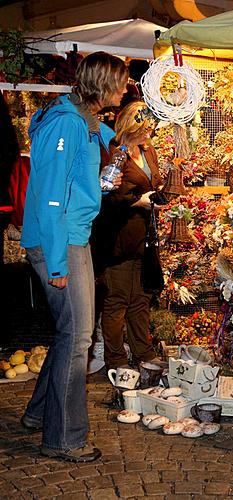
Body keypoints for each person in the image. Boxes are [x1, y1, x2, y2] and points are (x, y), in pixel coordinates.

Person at [20, 51, 128, 463]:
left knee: (70, 334)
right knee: (79, 337)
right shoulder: (66, 124)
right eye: (119, 81)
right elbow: (49, 199)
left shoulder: (87, 123)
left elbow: (75, 187)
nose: (124, 87)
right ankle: (64, 438)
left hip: (69, 235)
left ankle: (37, 413)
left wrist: (103, 180)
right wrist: (59, 264)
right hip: (60, 242)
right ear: (103, 84)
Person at [91, 100, 165, 370]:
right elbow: (108, 195)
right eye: (145, 129)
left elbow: (153, 179)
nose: (150, 134)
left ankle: (143, 353)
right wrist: (138, 202)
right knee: (117, 300)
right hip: (118, 235)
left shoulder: (148, 149)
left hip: (144, 236)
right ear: (132, 127)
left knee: (141, 297)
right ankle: (116, 359)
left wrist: (157, 194)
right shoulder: (114, 152)